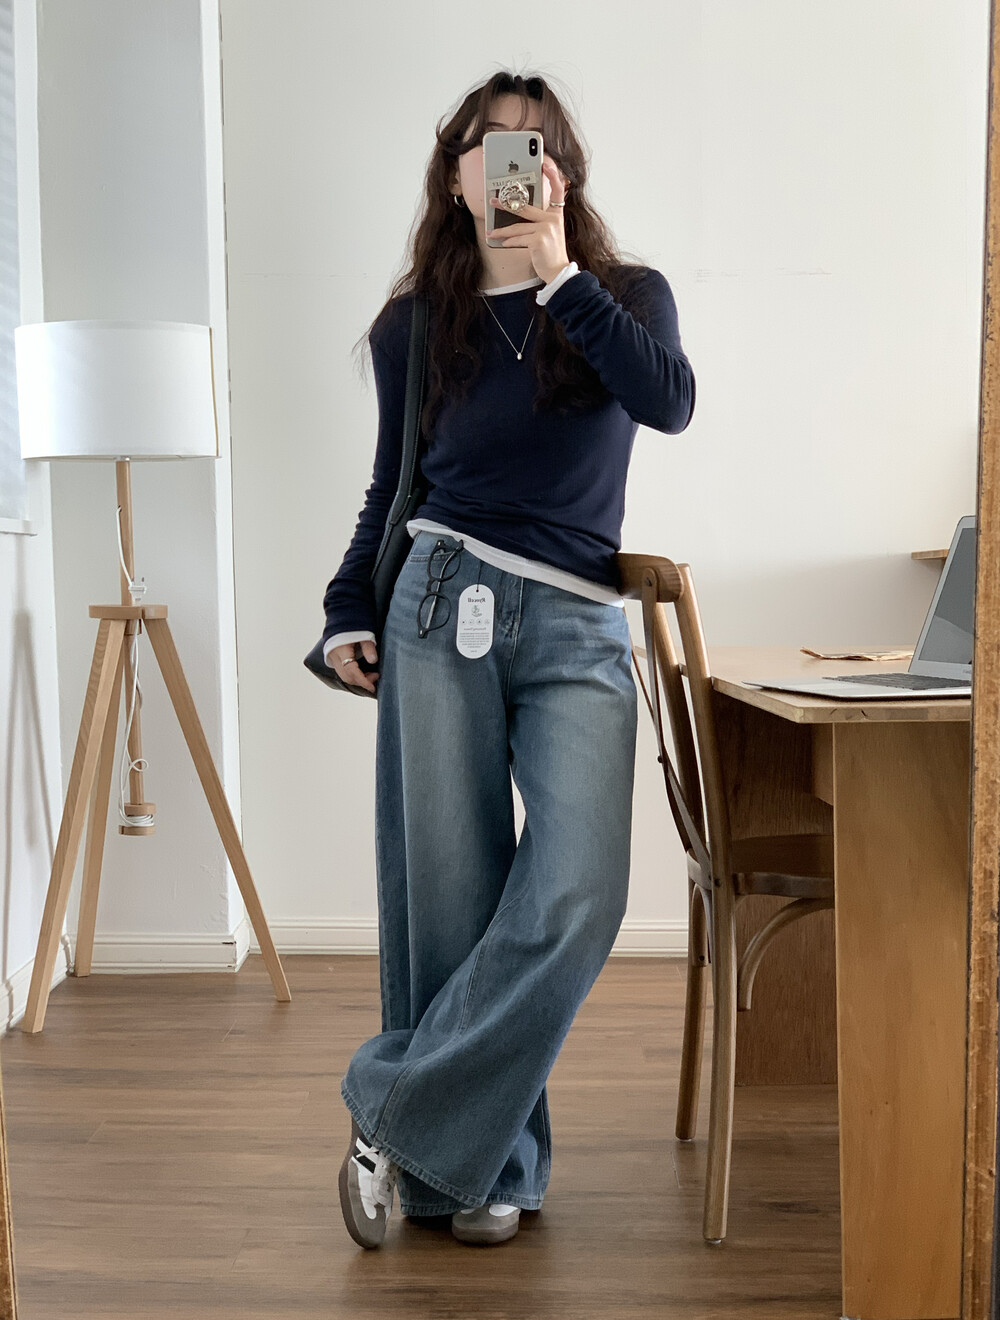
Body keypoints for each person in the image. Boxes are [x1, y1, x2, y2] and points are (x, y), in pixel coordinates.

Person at [326, 69, 695, 1249]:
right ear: (455, 177)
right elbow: (393, 486)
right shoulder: (414, 323)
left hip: (578, 618)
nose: (513, 170)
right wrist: (344, 608)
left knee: (579, 890)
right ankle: (476, 1174)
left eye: (535, 150)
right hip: (441, 599)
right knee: (451, 900)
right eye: (489, 149)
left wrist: (561, 281)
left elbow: (670, 402)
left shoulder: (621, 297)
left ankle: (390, 1112)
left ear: (564, 175)